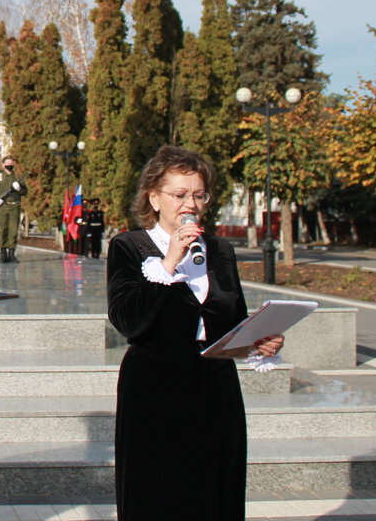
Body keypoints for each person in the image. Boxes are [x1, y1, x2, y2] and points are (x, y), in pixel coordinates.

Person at [107, 145, 283, 521]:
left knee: (215, 491)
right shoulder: (129, 247)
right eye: (180, 194)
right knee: (158, 495)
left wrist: (260, 342)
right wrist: (169, 262)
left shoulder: (219, 250)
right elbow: (127, 321)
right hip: (155, 391)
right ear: (154, 197)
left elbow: (233, 320)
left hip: (215, 389)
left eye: (199, 195)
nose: (190, 203)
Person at [0, 155, 27, 263]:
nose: (10, 165)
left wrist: (19, 189)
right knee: (2, 230)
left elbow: (25, 192)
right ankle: (3, 254)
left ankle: (12, 255)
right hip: (3, 206)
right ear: (3, 165)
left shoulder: (18, 177)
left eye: (11, 163)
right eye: (7, 163)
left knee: (13, 230)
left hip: (15, 206)